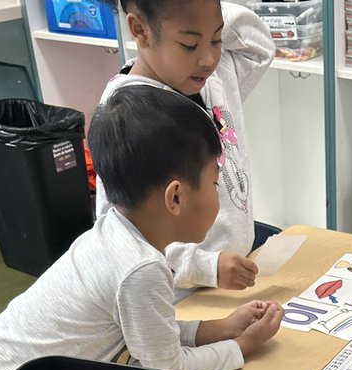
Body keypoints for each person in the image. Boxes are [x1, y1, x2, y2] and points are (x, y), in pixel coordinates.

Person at [0, 88, 283, 370]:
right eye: (214, 183)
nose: (218, 194)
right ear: (176, 198)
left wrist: (222, 328)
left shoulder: (115, 232)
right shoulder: (140, 269)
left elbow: (152, 337)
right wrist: (243, 346)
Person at [97, 0, 274, 293]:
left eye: (217, 39)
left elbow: (259, 44)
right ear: (140, 29)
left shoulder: (214, 77)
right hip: (177, 295)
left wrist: (202, 13)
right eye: (189, 44)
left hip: (234, 277)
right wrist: (205, 267)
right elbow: (119, 243)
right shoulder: (126, 116)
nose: (207, 58)